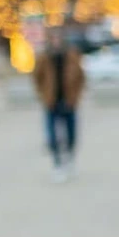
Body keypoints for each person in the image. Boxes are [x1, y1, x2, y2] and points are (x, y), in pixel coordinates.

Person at [33, 34, 86, 181]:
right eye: (54, 40)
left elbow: (81, 77)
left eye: (58, 39)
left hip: (69, 101)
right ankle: (57, 164)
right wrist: (43, 96)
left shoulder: (72, 55)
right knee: (52, 136)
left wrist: (76, 96)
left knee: (71, 134)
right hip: (51, 102)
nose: (56, 43)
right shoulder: (44, 57)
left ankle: (69, 158)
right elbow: (37, 77)